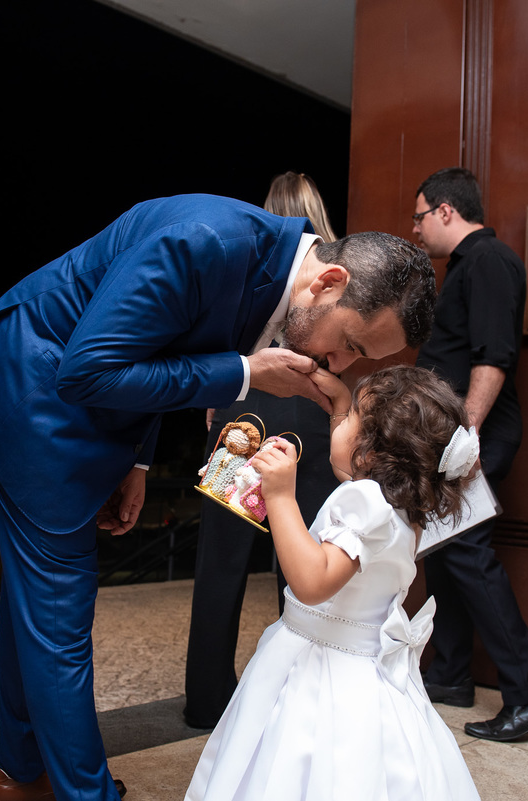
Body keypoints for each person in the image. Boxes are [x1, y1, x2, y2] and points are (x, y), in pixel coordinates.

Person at [0, 193, 436, 801]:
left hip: (79, 399)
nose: (338, 362)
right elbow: (86, 370)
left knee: (35, 600)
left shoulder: (269, 261)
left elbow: (155, 345)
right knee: (59, 608)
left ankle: (18, 777)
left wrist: (137, 460)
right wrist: (246, 373)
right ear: (329, 281)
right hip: (33, 383)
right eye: (352, 345)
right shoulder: (205, 241)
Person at [185, 365, 481, 801]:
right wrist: (344, 402)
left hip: (319, 663)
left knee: (288, 760)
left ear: (369, 454)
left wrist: (281, 495)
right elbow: (356, 483)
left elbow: (312, 581)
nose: (338, 427)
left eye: (350, 421)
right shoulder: (404, 507)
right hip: (364, 667)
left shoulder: (362, 500)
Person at [183, 173, 342, 729]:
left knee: (221, 560)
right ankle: (294, 693)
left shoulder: (252, 264)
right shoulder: (332, 273)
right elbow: (338, 359)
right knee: (296, 553)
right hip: (307, 411)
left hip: (239, 413)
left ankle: (206, 699)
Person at [412, 167, 528, 740]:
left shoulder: (489, 261)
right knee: (448, 549)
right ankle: (450, 675)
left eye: (420, 215)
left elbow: (493, 357)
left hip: (474, 438)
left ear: (446, 211)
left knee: (466, 550)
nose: (416, 228)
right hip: (457, 438)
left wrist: (464, 438)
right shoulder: (464, 267)